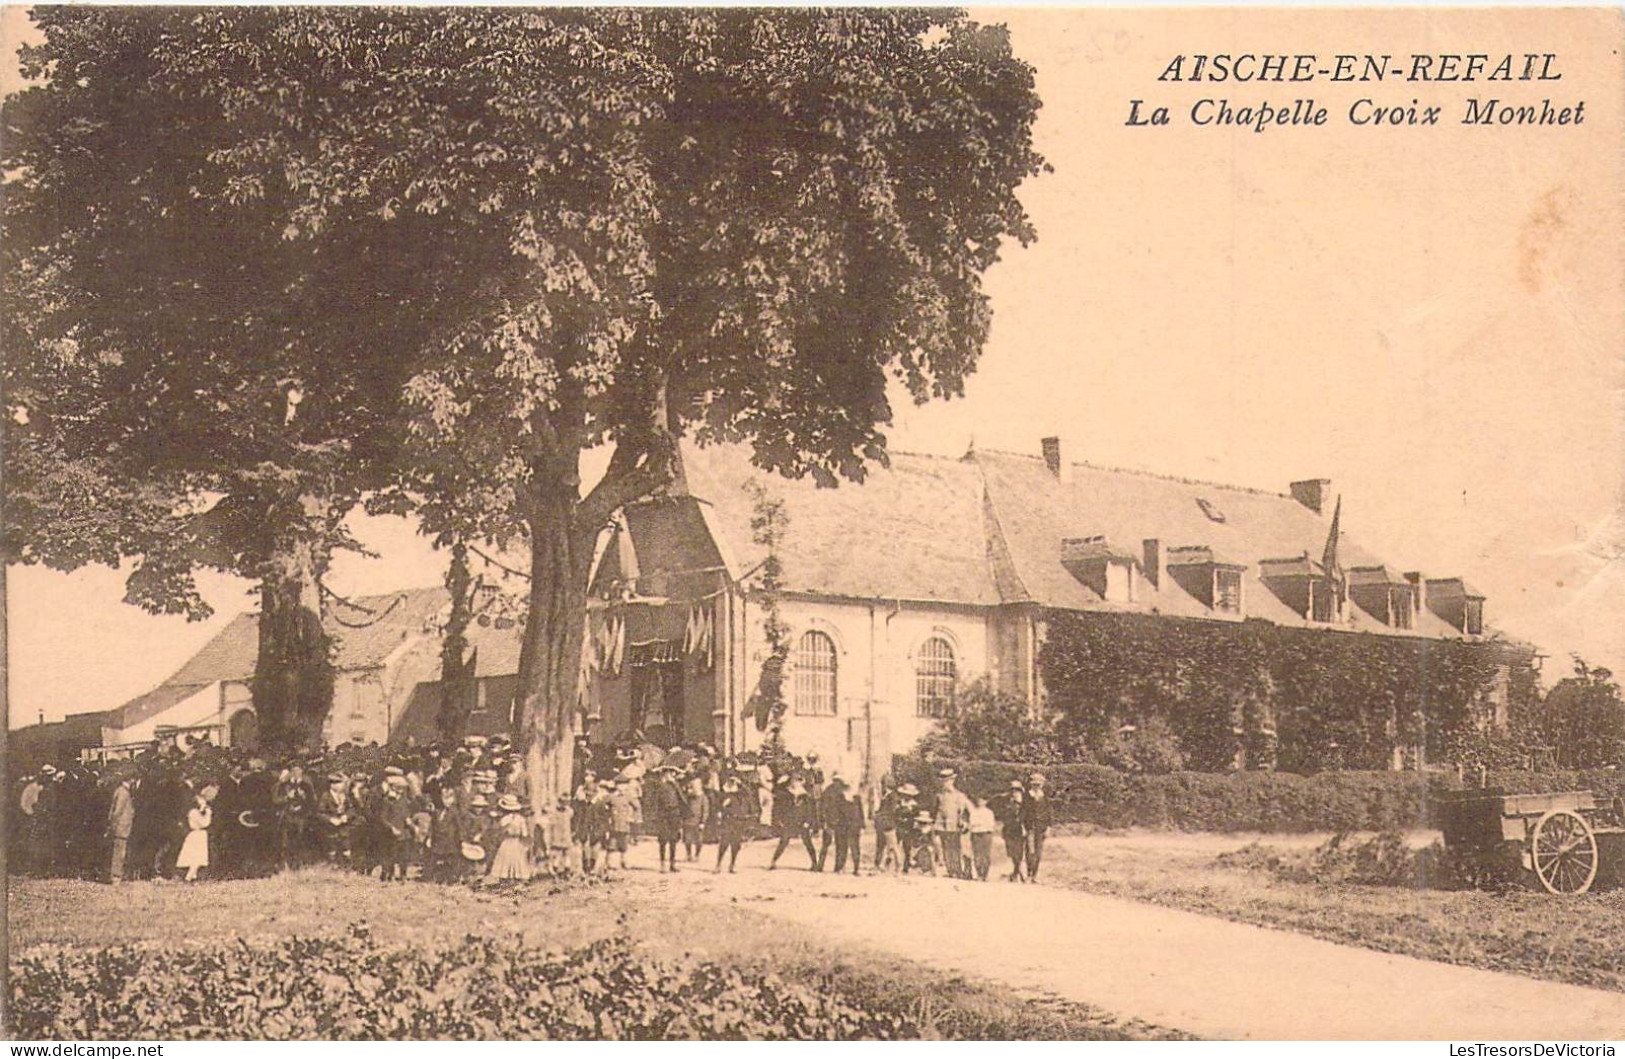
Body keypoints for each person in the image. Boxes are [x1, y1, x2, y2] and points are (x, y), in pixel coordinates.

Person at [768, 773, 818, 871]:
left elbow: (810, 811)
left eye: (798, 780)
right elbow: (780, 808)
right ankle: (773, 862)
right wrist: (780, 821)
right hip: (789, 821)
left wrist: (808, 822)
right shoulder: (786, 794)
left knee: (808, 843)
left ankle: (814, 863)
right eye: (794, 780)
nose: (796, 782)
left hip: (802, 822)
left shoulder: (805, 796)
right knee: (783, 841)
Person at [818, 776, 864, 875]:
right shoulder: (839, 798)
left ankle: (856, 868)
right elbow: (835, 812)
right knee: (841, 847)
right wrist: (833, 823)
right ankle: (839, 867)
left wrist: (862, 825)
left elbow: (861, 813)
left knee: (855, 847)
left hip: (854, 826)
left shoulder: (856, 798)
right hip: (842, 825)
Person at [647, 764, 686, 873]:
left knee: (674, 839)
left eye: (671, 773)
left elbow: (681, 799)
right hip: (663, 815)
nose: (669, 775)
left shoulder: (675, 785)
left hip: (674, 814)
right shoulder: (658, 786)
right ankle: (663, 864)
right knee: (663, 840)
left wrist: (674, 783)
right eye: (667, 773)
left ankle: (672, 864)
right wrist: (654, 816)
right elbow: (653, 802)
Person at [933, 768, 970, 879]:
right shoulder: (939, 796)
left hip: (954, 825)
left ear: (952, 781)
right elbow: (937, 810)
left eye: (947, 781)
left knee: (955, 848)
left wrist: (963, 822)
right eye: (943, 781)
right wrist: (936, 824)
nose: (945, 784)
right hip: (942, 825)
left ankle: (957, 870)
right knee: (945, 848)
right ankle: (950, 870)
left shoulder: (959, 796)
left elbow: (963, 811)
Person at [487, 794, 533, 882]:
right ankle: (516, 877)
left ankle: (505, 878)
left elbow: (500, 832)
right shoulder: (521, 819)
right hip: (516, 842)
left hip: (507, 841)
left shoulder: (504, 819)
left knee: (505, 859)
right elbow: (524, 834)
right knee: (517, 859)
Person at [714, 775, 753, 874]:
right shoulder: (724, 795)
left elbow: (748, 792)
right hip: (728, 821)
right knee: (724, 843)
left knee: (736, 845)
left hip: (739, 822)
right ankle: (718, 864)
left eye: (734, 782)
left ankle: (732, 865)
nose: (732, 784)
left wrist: (740, 782)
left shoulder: (742, 794)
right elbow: (719, 807)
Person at [175, 789, 213, 882]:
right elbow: (204, 823)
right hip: (197, 835)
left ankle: (193, 877)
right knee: (197, 858)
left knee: (197, 858)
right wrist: (208, 813)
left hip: (198, 835)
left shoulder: (195, 812)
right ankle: (188, 877)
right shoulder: (194, 812)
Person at [1022, 772, 1052, 881]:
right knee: (1030, 851)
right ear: (1031, 784)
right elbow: (1023, 812)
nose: (1036, 787)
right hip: (1029, 827)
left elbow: (1049, 813)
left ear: (1042, 785)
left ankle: (1035, 875)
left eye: (1039, 785)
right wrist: (1023, 827)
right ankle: (1029, 872)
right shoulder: (1026, 796)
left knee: (1038, 852)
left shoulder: (1044, 797)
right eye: (1034, 784)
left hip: (1041, 828)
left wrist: (1048, 827)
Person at [107, 772, 136, 884]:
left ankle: (117, 875)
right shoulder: (124, 793)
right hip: (122, 827)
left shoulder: (120, 790)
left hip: (121, 826)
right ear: (130, 779)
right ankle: (116, 876)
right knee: (119, 853)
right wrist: (113, 825)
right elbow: (117, 811)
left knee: (119, 851)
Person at [997, 779, 1029, 882]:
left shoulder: (1025, 803)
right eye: (1013, 790)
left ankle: (1017, 873)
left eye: (1017, 790)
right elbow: (1002, 814)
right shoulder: (1005, 802)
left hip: (1020, 831)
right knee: (1011, 852)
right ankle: (1017, 872)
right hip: (1009, 830)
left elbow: (1028, 816)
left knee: (1019, 852)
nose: (1015, 793)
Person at [603, 779, 635, 871]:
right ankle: (609, 863)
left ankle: (624, 861)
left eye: (624, 785)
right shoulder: (611, 797)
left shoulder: (628, 797)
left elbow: (637, 806)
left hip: (624, 824)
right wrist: (608, 815)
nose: (622, 787)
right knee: (611, 844)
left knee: (624, 845)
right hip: (614, 824)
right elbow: (603, 806)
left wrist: (631, 817)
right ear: (616, 786)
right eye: (620, 785)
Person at [966, 791, 998, 881]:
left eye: (983, 800)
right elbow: (972, 823)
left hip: (986, 834)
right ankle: (979, 873)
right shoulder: (974, 812)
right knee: (977, 854)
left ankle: (985, 874)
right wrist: (979, 824)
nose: (981, 802)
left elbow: (990, 824)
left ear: (986, 802)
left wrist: (980, 824)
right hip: (976, 834)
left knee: (986, 854)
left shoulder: (989, 812)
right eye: (979, 800)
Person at [872, 779, 902, 873]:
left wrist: (879, 815)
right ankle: (879, 865)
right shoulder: (887, 796)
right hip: (884, 824)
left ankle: (899, 865)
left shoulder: (892, 797)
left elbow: (892, 811)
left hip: (888, 824)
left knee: (893, 846)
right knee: (882, 845)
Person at [891, 784, 922, 874]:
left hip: (909, 827)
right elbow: (895, 814)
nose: (906, 796)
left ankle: (906, 866)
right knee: (895, 846)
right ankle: (895, 865)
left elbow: (917, 817)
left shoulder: (914, 805)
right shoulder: (900, 803)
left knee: (907, 847)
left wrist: (911, 820)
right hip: (899, 826)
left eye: (908, 795)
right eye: (905, 794)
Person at [681, 767, 707, 861]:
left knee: (698, 840)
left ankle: (697, 855)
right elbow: (684, 807)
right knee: (687, 839)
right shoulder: (688, 797)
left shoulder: (703, 797)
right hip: (688, 820)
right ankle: (688, 854)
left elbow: (705, 810)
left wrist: (703, 822)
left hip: (698, 820)